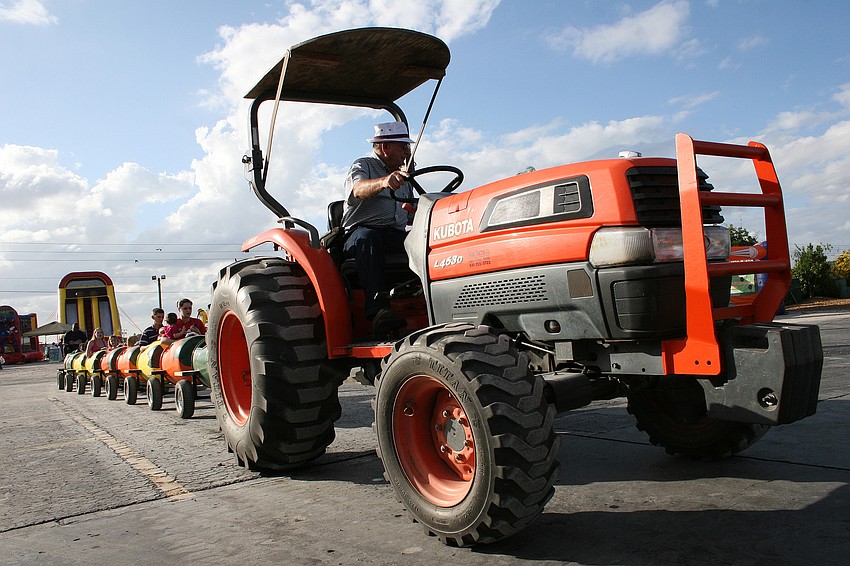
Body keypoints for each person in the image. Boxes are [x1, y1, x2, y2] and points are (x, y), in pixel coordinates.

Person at [341, 121, 414, 336]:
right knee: (369, 238)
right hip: (359, 234)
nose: (406, 153)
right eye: (403, 147)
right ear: (385, 147)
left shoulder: (404, 178)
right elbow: (357, 190)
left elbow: (409, 213)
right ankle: (377, 311)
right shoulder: (363, 166)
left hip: (395, 235)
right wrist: (383, 182)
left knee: (426, 242)